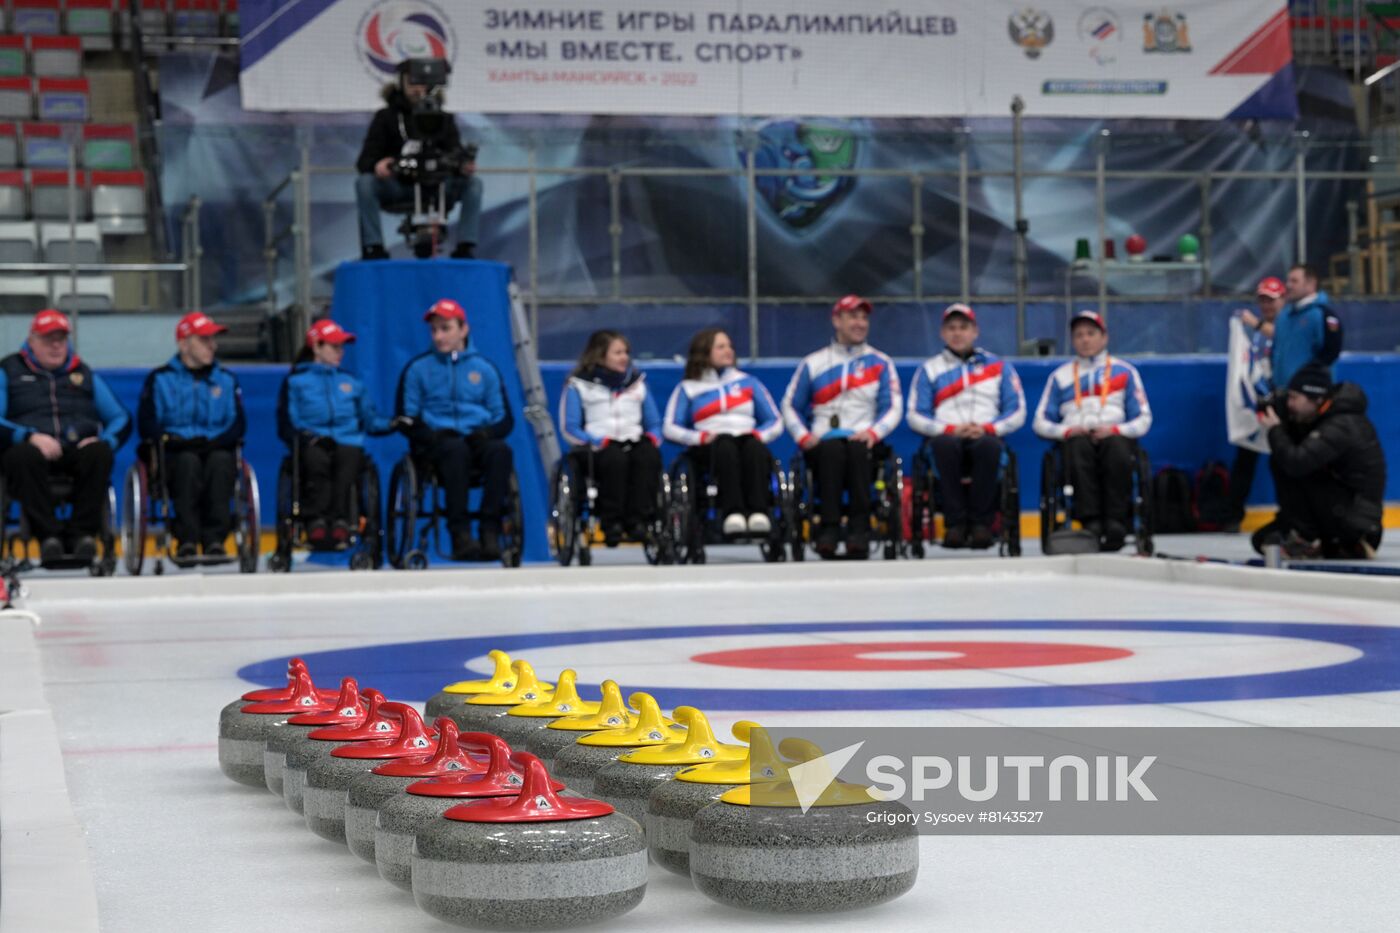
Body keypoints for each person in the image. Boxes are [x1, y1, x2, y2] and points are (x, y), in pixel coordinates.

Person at [0, 309, 130, 564]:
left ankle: (82, 536)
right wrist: (28, 437)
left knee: (99, 453)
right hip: (31, 452)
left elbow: (120, 417)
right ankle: (48, 537)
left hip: (75, 450)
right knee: (21, 455)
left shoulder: (84, 373)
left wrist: (106, 440)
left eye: (61, 338)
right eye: (49, 339)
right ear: (33, 339)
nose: (57, 345)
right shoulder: (9, 370)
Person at [781, 295, 902, 559]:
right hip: (823, 443)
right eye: (853, 317)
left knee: (857, 450)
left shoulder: (881, 362)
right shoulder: (813, 363)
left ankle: (860, 530)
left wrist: (873, 433)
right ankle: (829, 528)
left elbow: (893, 407)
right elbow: (790, 405)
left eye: (863, 318)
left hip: (864, 442)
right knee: (832, 450)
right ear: (837, 321)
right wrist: (803, 436)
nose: (859, 323)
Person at [397, 298, 513, 561]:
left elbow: (504, 419)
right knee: (454, 449)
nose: (439, 336)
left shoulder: (484, 369)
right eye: (434, 330)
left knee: (500, 451)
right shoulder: (417, 369)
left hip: (476, 438)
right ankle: (459, 534)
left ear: (463, 329)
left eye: (445, 328)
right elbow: (406, 417)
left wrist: (486, 433)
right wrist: (431, 435)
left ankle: (490, 529)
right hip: (437, 446)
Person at [907, 303, 1026, 549]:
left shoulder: (1000, 367)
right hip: (947, 435)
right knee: (943, 445)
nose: (957, 333)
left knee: (989, 447)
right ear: (942, 333)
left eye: (963, 327)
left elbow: (1017, 411)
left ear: (975, 331)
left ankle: (982, 525)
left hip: (985, 434)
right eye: (951, 328)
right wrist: (950, 429)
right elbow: (915, 415)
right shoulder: (929, 370)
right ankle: (956, 525)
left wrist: (989, 428)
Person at [1032, 310, 1152, 552]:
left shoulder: (1125, 372)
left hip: (1114, 434)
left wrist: (1116, 429)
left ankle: (1116, 521)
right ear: (1073, 340)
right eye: (1079, 335)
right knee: (1077, 448)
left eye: (1090, 333)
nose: (1085, 339)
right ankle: (1091, 521)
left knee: (1117, 448)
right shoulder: (1061, 376)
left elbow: (1144, 418)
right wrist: (1066, 431)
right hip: (1076, 437)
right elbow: (1039, 422)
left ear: (1104, 337)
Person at [277, 319, 397, 548]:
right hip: (312, 439)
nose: (340, 352)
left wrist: (394, 424)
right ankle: (316, 520)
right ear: (316, 347)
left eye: (341, 347)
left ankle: (342, 519)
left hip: (346, 440)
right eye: (334, 346)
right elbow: (288, 420)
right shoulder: (295, 382)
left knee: (349, 456)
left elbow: (370, 420)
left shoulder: (351, 382)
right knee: (315, 458)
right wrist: (304, 437)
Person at [137, 311, 245, 558]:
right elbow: (147, 423)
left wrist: (216, 441)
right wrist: (171, 440)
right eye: (204, 340)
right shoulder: (160, 379)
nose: (212, 346)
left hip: (216, 446)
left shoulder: (227, 380)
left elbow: (238, 423)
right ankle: (186, 538)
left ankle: (214, 539)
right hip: (177, 450)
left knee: (220, 463)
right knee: (187, 463)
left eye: (213, 340)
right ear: (184, 343)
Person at [354, 60, 482, 261]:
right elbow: (364, 162)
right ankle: (374, 248)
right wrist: (379, 165)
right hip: (399, 185)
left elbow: (455, 152)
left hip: (438, 187)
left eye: (423, 83)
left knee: (473, 184)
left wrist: (462, 165)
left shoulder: (445, 119)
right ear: (401, 83)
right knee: (365, 183)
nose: (417, 89)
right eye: (412, 82)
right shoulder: (386, 117)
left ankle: (465, 247)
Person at [1254, 364, 1385, 559]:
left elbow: (1296, 463)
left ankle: (1310, 539)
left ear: (1316, 399)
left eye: (1294, 398)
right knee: (1262, 539)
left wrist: (1275, 430)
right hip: (1343, 514)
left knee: (1290, 463)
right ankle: (1310, 537)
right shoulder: (1324, 417)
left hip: (1357, 526)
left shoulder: (1341, 425)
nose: (1289, 404)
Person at [664, 328, 783, 537]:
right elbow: (670, 427)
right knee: (725, 444)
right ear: (704, 352)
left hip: (746, 440)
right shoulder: (689, 388)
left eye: (730, 346)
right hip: (709, 447)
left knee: (754, 447)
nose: (728, 351)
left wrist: (760, 435)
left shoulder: (749, 382)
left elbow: (775, 420)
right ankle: (732, 513)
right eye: (721, 347)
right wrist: (699, 437)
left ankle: (758, 512)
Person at [559, 329, 662, 546]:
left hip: (633, 440)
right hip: (598, 447)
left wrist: (653, 438)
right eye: (617, 352)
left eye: (626, 352)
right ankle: (611, 523)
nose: (624, 357)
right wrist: (595, 441)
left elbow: (653, 423)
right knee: (614, 459)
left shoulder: (637, 383)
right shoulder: (579, 385)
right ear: (600, 355)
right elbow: (570, 427)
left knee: (647, 455)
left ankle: (639, 522)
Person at [1225, 276, 1285, 528]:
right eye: (1262, 300)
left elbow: (1283, 337)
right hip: (1258, 401)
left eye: (1271, 300)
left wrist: (1256, 323)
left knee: (1283, 457)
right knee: (1245, 455)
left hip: (1282, 401)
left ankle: (1290, 510)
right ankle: (1232, 515)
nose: (1267, 305)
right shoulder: (1256, 336)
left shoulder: (1289, 325)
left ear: (1283, 299)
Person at [1271, 263, 1342, 392]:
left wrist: (1309, 385)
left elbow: (1330, 353)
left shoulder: (1322, 315)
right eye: (1288, 280)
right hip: (1281, 391)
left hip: (1309, 396)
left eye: (1294, 281)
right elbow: (1276, 350)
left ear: (1311, 283)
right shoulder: (1283, 316)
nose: (1288, 285)